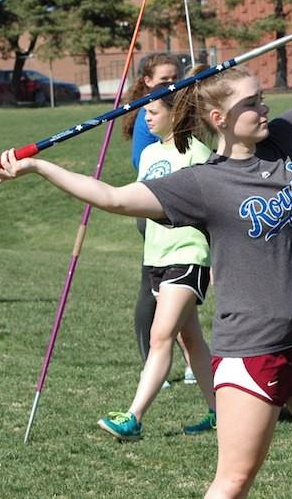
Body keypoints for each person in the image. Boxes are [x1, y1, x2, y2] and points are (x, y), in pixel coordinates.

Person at [0, 0, 292, 498]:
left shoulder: (286, 141)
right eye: (252, 103)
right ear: (219, 117)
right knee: (235, 479)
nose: (264, 108)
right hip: (253, 350)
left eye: (263, 98)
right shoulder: (202, 183)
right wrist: (40, 169)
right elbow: (112, 198)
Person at [97, 86, 217, 440]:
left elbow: (213, 208)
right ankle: (220, 413)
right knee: (189, 339)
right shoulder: (149, 154)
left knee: (160, 335)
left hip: (188, 254)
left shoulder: (199, 153)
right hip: (157, 256)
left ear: (175, 113)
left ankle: (133, 418)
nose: (145, 117)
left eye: (152, 111)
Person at [121, 54, 197, 387]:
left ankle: (195, 363)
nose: (171, 84)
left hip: (185, 219)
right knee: (158, 292)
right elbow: (147, 166)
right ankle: (152, 362)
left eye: (176, 77)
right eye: (164, 79)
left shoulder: (181, 112)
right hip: (157, 213)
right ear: (148, 82)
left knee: (182, 296)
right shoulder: (150, 116)